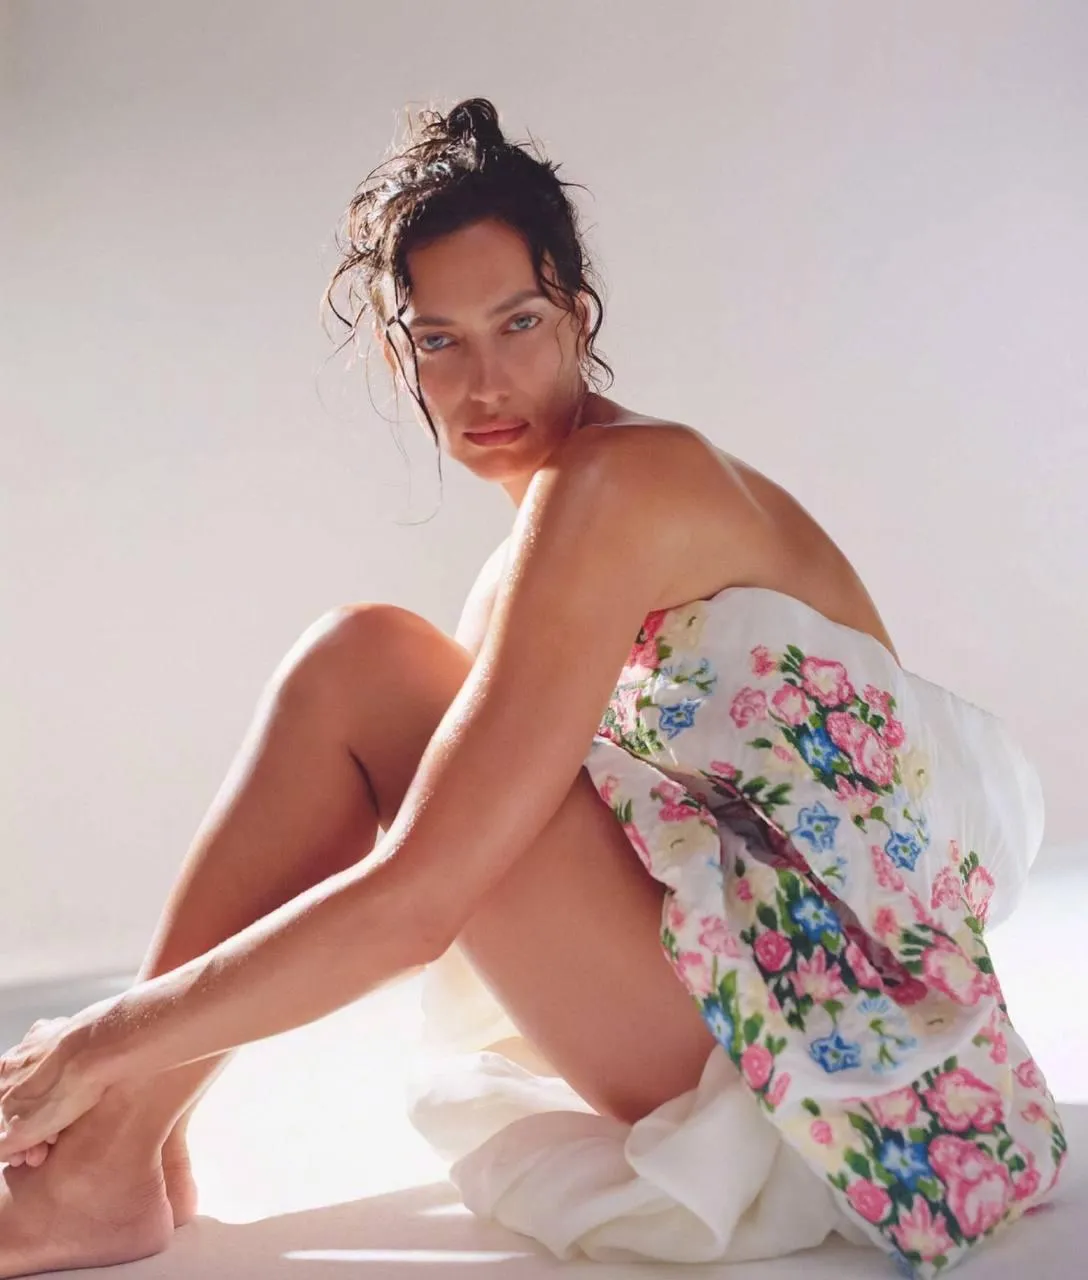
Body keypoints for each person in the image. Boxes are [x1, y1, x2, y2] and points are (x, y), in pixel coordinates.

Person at [0, 98, 1065, 1278]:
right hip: (752, 1002)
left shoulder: (619, 482)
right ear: (403, 358)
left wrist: (103, 1034)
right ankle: (135, 1147)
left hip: (822, 1058)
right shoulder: (538, 546)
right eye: (441, 339)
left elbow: (417, 900)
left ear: (577, 315)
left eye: (518, 321)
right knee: (368, 660)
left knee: (363, 664)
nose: (485, 379)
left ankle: (109, 1149)